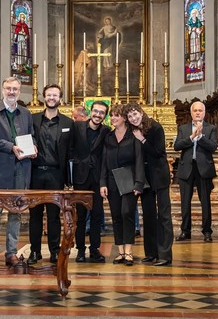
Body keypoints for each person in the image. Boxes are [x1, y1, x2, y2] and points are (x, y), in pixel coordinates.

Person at [0, 77, 36, 269]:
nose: (12, 92)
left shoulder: (26, 113)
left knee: (16, 213)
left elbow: (31, 136)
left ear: (19, 91)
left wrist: (33, 148)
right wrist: (10, 147)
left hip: (21, 170)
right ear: (3, 90)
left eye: (15, 89)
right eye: (8, 88)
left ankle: (11, 252)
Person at [27, 84, 73, 265]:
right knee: (35, 215)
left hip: (56, 174)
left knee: (54, 215)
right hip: (36, 173)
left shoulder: (68, 123)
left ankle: (54, 251)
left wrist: (69, 179)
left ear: (60, 98)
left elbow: (70, 152)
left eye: (55, 95)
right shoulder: (32, 119)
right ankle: (34, 251)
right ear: (44, 97)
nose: (52, 98)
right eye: (49, 95)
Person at [126, 102, 173, 266]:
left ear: (141, 112)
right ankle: (151, 252)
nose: (133, 118)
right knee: (148, 216)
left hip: (159, 176)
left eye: (135, 114)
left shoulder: (155, 127)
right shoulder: (132, 132)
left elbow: (158, 152)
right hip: (144, 179)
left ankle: (165, 255)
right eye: (130, 116)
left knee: (164, 216)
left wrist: (143, 140)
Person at [100, 104, 145, 266]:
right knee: (116, 215)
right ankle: (120, 252)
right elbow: (104, 162)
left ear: (124, 118)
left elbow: (139, 160)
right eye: (111, 115)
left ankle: (129, 251)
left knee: (127, 213)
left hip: (129, 180)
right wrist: (102, 183)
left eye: (116, 115)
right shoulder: (109, 137)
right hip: (112, 181)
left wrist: (139, 183)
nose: (112, 118)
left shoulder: (134, 136)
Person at [71, 100, 110, 263]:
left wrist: (104, 182)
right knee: (80, 217)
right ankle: (80, 250)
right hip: (80, 177)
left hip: (97, 178)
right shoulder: (78, 127)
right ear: (90, 111)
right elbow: (70, 150)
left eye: (102, 113)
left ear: (105, 116)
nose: (98, 115)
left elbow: (107, 156)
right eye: (96, 111)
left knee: (96, 216)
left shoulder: (107, 131)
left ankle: (94, 249)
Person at [174, 101, 217, 242]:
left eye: (200, 110)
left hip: (204, 169)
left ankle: (207, 232)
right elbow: (177, 146)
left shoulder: (211, 128)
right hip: (186, 168)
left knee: (205, 202)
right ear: (191, 113)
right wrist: (192, 137)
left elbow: (213, 147)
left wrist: (201, 137)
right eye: (195, 110)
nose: (198, 113)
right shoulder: (183, 128)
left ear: (204, 113)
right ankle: (185, 231)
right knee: (185, 202)